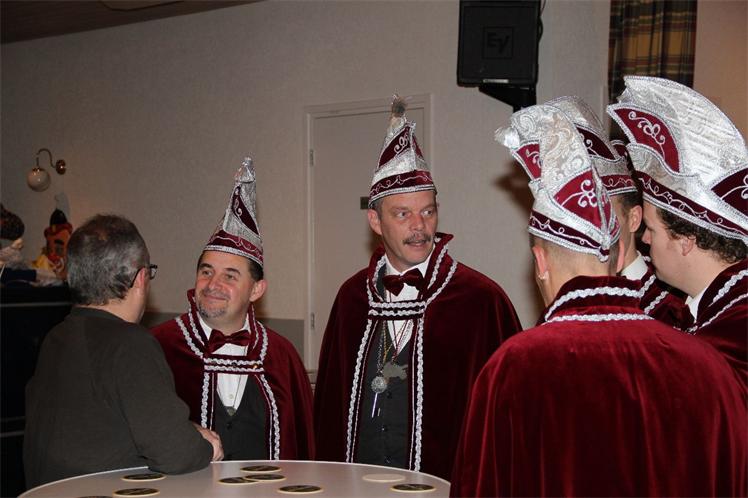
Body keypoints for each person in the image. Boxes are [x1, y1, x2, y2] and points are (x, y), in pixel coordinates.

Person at [451, 100, 746, 496]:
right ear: (615, 252)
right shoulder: (704, 362)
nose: (646, 240)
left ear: (540, 262)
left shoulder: (512, 364)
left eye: (652, 228)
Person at [313, 96, 521, 480]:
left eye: (428, 211)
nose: (419, 227)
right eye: (403, 214)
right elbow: (329, 407)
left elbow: (508, 418)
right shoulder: (351, 299)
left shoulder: (480, 300)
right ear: (375, 221)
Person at [24, 214, 220, 489]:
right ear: (140, 278)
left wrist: (185, 433)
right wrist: (206, 447)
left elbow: (103, 429)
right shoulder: (129, 344)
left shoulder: (56, 338)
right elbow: (177, 454)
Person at [152, 158, 314, 461]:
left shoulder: (282, 356)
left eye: (230, 276)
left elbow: (304, 447)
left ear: (256, 290)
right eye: (206, 272)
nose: (213, 284)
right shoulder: (158, 347)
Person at [608, 76, 747, 384]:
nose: (645, 239)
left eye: (652, 229)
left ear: (686, 240)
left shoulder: (733, 334)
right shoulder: (716, 311)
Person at [547, 96, 688, 327]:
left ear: (634, 219)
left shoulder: (669, 309)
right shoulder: (566, 298)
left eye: (605, 214)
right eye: (582, 216)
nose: (591, 227)